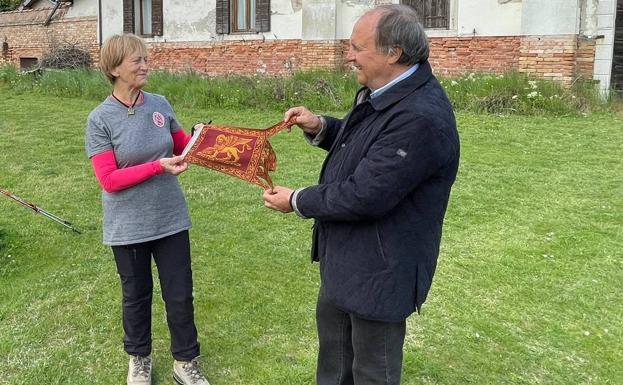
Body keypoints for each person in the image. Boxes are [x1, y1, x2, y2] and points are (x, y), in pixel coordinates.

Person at [263, 4, 459, 385]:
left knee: (371, 373)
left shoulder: (419, 116)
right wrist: (321, 126)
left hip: (381, 274)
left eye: (356, 47)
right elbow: (367, 148)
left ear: (393, 53)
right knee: (334, 369)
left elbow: (366, 194)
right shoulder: (384, 92)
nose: (348, 55)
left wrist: (297, 200)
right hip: (346, 262)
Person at [85, 34, 210, 385]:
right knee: (136, 296)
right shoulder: (100, 119)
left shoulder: (159, 104)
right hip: (127, 226)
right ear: (113, 69)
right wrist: (158, 166)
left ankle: (186, 362)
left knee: (180, 293)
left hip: (170, 218)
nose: (145, 65)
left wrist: (202, 139)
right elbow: (109, 179)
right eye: (136, 60)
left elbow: (182, 145)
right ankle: (139, 360)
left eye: (145, 58)